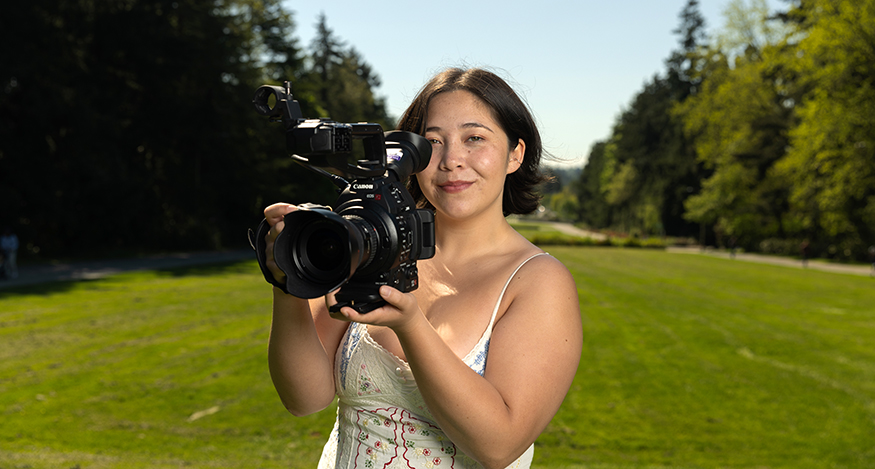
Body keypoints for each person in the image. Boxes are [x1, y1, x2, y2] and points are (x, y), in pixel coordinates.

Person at [260, 68, 582, 469]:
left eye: (474, 138)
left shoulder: (538, 281)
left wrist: (411, 326)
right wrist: (288, 281)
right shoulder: (371, 241)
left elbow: (499, 445)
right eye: (433, 142)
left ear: (515, 153)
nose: (451, 161)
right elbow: (304, 399)